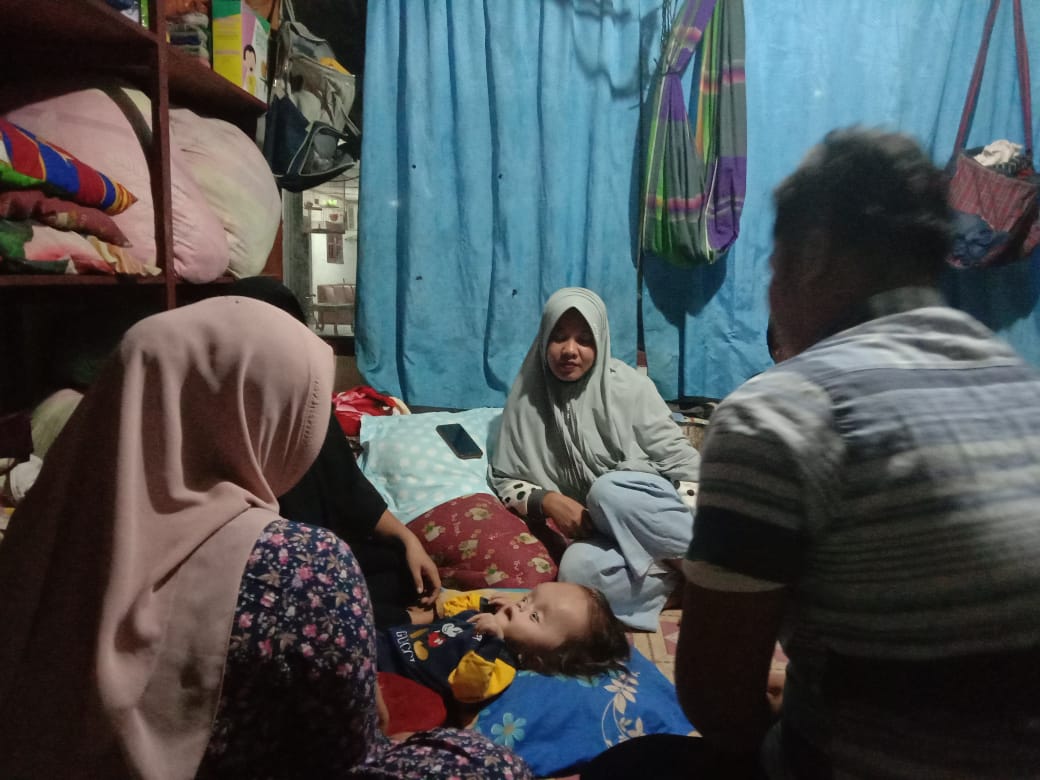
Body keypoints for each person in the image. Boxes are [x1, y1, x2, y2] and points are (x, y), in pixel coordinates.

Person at [0, 296, 531, 779]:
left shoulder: (42, 523)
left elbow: (347, 491)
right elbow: (345, 748)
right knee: (488, 763)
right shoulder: (300, 563)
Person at [671, 127, 1040, 778]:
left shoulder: (779, 412)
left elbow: (717, 701)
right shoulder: (1021, 383)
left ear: (811, 255)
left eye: (773, 266)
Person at [229, 276, 441, 629]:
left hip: (328, 557)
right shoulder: (226, 417)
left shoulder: (304, 400)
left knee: (401, 568)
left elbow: (349, 487)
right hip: (270, 568)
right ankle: (392, 621)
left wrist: (409, 540)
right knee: (299, 602)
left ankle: (375, 614)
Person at [490, 287, 701, 631]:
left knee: (607, 492)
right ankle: (682, 588)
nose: (570, 350)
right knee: (575, 571)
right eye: (559, 337)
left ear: (601, 342)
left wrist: (716, 517)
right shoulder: (527, 397)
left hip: (649, 513)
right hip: (602, 532)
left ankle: (712, 576)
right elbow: (504, 478)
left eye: (584, 340)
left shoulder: (629, 388)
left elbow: (683, 462)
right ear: (543, 340)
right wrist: (549, 500)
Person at [378, 582, 630, 707]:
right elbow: (449, 609)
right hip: (384, 640)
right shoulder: (487, 615)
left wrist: (491, 643)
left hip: (389, 676)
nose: (519, 606)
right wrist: (482, 603)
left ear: (539, 659)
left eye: (534, 616)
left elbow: (467, 689)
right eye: (527, 599)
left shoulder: (501, 664)